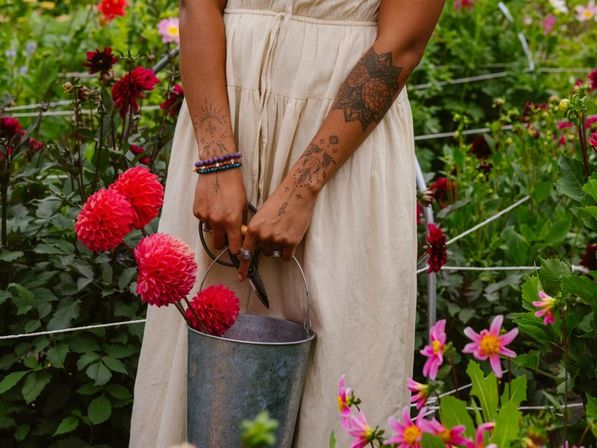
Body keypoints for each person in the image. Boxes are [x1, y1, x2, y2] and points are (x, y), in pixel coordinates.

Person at [130, 0, 445, 446]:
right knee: (199, 378)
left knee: (341, 367)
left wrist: (301, 188)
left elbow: (403, 42)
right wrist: (217, 160)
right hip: (223, 120)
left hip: (343, 151)